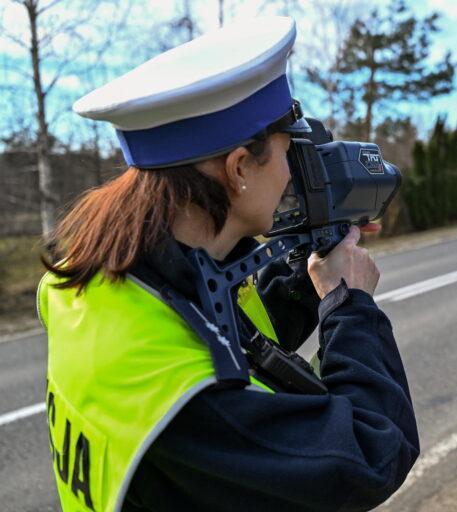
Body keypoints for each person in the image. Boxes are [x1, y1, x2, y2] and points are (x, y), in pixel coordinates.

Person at [38, 16, 419, 512]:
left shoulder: (92, 280)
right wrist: (351, 305)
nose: (293, 172)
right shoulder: (187, 396)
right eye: (290, 151)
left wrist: (309, 276)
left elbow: (228, 340)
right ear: (240, 168)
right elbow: (370, 452)